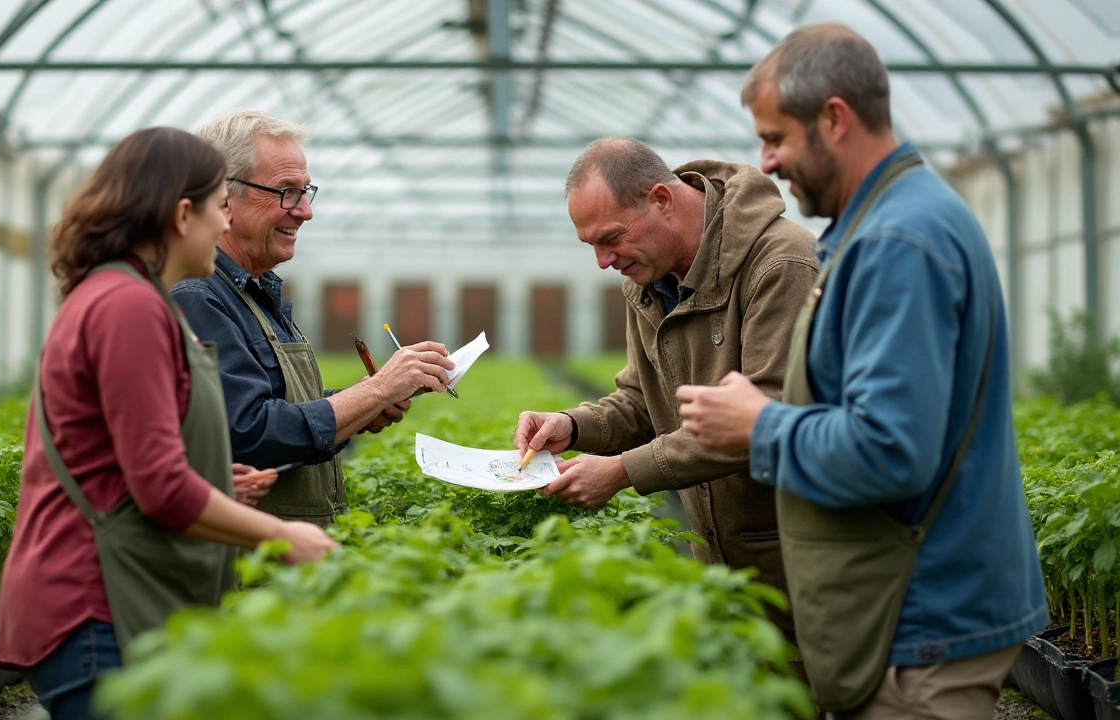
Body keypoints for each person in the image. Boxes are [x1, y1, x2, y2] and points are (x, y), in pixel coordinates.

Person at [677, 24, 1047, 719]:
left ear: (834, 119)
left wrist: (759, 425)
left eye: (776, 138)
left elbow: (889, 450)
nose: (766, 163)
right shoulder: (888, 222)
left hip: (919, 623)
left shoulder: (898, 241)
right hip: (910, 611)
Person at [0, 127, 337, 720]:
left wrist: (211, 482)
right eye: (216, 208)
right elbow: (157, 486)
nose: (222, 224)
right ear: (183, 214)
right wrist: (285, 535)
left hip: (107, 602)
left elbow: (126, 463)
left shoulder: (126, 296)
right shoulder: (128, 306)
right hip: (94, 605)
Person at [513, 137, 818, 643]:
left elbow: (764, 416)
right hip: (720, 557)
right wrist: (571, 426)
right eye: (589, 244)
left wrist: (622, 472)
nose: (603, 261)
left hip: (797, 555)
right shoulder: (648, 282)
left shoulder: (780, 264)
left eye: (610, 237)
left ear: (661, 199)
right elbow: (641, 399)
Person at [173, 110, 453, 527]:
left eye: (305, 192)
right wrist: (375, 392)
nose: (305, 211)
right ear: (224, 197)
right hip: (248, 570)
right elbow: (248, 436)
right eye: (286, 192)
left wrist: (358, 403)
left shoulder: (257, 290)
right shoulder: (197, 296)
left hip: (284, 560)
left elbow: (278, 413)